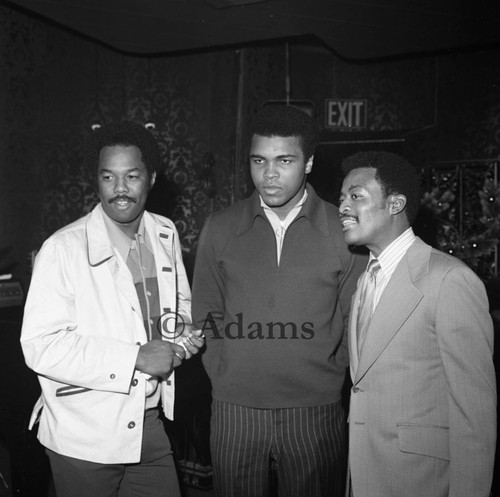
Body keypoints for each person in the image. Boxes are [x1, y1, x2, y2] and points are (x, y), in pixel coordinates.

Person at [20, 121, 205, 497]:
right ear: (97, 181)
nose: (120, 189)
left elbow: (179, 306)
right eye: (109, 177)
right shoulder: (63, 248)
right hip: (83, 434)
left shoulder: (164, 231)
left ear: (151, 178)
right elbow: (40, 345)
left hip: (148, 423)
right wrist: (135, 358)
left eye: (132, 176)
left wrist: (181, 339)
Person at [192, 104, 364, 497]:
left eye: (284, 160)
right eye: (259, 161)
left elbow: (354, 317)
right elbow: (207, 310)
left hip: (315, 410)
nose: (269, 174)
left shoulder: (343, 230)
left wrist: (328, 376)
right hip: (235, 409)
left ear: (308, 163)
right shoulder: (220, 228)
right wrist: (223, 369)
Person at [338, 151, 496, 497]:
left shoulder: (449, 280)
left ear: (395, 203)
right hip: (364, 476)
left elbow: (475, 416)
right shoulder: (365, 280)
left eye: (356, 196)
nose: (343, 207)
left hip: (418, 480)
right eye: (341, 198)